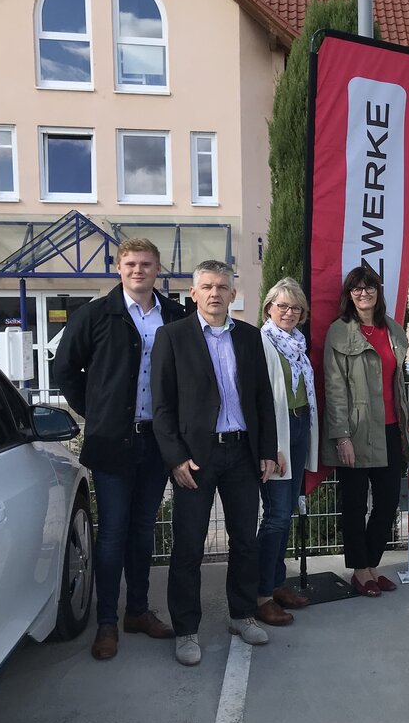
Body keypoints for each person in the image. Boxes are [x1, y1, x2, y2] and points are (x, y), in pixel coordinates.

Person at [53, 237, 186, 661]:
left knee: (143, 530)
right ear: (118, 267)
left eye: (146, 263)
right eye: (130, 263)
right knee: (111, 534)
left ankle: (138, 611)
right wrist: (97, 412)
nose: (138, 270)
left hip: (156, 441)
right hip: (112, 443)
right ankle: (107, 622)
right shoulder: (95, 315)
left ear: (158, 268)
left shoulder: (175, 316)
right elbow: (65, 371)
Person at [151, 260, 278, 666]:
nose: (215, 293)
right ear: (193, 293)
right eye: (206, 286)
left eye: (222, 286)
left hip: (241, 452)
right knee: (188, 545)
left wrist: (267, 450)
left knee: (245, 539)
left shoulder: (250, 337)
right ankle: (186, 630)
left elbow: (262, 399)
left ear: (233, 293)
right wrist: (175, 458)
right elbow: (162, 406)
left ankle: (242, 614)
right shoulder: (172, 337)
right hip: (196, 458)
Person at [321, 266, 409, 597]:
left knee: (387, 503)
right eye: (356, 289)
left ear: (378, 292)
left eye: (369, 288)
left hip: (390, 430)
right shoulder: (339, 333)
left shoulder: (392, 330)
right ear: (349, 295)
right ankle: (359, 570)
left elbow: (396, 382)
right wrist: (341, 437)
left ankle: (371, 565)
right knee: (354, 505)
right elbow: (334, 389)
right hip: (355, 431)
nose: (363, 293)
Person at [254, 278, 319, 627]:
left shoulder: (297, 343)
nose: (290, 313)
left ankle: (276, 584)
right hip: (277, 435)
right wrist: (270, 447)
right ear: (269, 309)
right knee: (277, 515)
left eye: (296, 308)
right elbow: (259, 401)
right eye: (283, 306)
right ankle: (262, 594)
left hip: (298, 428)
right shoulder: (262, 343)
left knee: (287, 512)